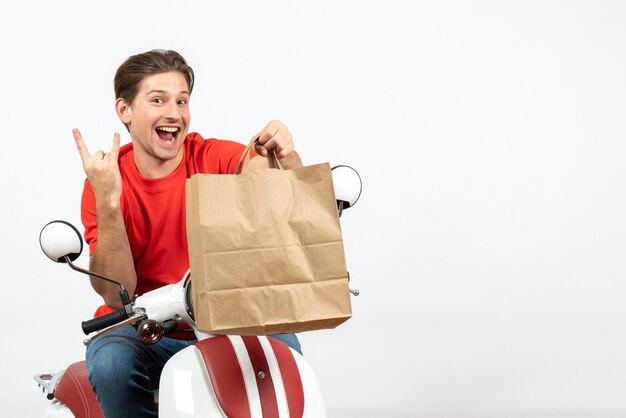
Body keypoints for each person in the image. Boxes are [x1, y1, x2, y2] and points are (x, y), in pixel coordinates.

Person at [73, 49, 303, 418]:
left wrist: (285, 156)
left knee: (284, 355)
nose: (174, 113)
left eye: (181, 101)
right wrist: (109, 202)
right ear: (125, 110)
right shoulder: (104, 182)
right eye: (158, 100)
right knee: (111, 364)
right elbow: (118, 295)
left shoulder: (213, 158)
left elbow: (285, 201)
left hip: (227, 320)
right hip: (145, 329)